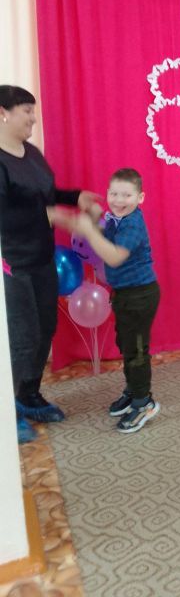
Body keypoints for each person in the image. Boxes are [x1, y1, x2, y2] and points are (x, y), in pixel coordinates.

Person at [0, 84, 101, 443]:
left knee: (45, 329)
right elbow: (7, 216)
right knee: (22, 339)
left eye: (33, 110)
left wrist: (76, 197)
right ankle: (7, 412)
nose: (33, 118)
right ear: (3, 113)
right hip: (13, 263)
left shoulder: (31, 153)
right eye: (26, 111)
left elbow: (46, 194)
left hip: (42, 259)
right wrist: (50, 216)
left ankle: (28, 395)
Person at [72, 168, 161, 434]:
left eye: (126, 195)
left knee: (137, 352)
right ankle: (133, 391)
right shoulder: (116, 220)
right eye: (114, 194)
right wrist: (93, 218)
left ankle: (144, 403)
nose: (119, 200)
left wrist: (89, 230)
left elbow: (113, 257)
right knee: (126, 345)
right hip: (124, 294)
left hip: (140, 295)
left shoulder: (133, 223)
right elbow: (103, 236)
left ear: (140, 197)